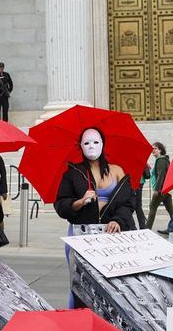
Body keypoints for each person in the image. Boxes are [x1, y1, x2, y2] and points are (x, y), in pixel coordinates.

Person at [55, 128, 136, 307]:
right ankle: (78, 322)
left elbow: (128, 202)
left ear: (103, 143)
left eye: (95, 142)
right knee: (79, 284)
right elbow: (61, 205)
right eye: (86, 143)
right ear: (80, 146)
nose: (91, 146)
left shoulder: (116, 171)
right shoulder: (73, 173)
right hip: (80, 235)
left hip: (109, 235)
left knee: (109, 286)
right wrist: (80, 201)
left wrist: (118, 220)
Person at [146, 142, 173, 230]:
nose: (152, 150)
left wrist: (157, 190)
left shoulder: (161, 160)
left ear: (160, 150)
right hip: (165, 189)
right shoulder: (163, 160)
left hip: (161, 189)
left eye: (155, 149)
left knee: (152, 207)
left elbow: (161, 175)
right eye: (152, 149)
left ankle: (147, 228)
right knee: (170, 209)